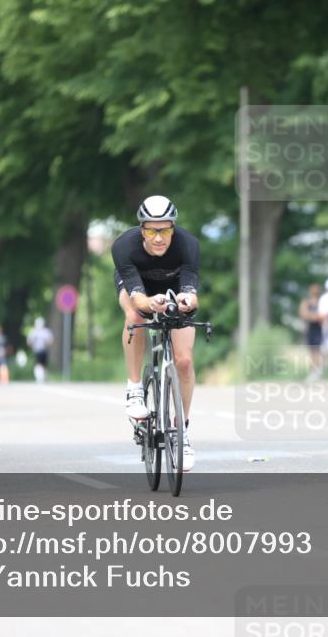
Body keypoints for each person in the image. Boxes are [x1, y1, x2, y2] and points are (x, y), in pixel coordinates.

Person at [111, 195, 200, 470]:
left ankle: (181, 432)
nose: (159, 237)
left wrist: (189, 301)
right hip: (137, 287)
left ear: (173, 228)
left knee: (184, 362)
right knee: (136, 315)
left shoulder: (188, 245)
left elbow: (191, 290)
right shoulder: (123, 247)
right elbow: (138, 299)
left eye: (165, 230)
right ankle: (135, 387)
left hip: (174, 287)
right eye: (152, 230)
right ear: (142, 230)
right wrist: (149, 303)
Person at [298, 283, 324, 381]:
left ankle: (319, 371)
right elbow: (303, 314)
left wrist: (312, 316)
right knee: (312, 351)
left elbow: (323, 316)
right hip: (310, 329)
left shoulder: (321, 302)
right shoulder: (306, 302)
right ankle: (314, 372)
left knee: (319, 350)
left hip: (320, 329)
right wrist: (315, 316)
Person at [27, 316, 54, 383]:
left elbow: (50, 341)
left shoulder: (42, 331)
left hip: (42, 350)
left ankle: (42, 377)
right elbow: (29, 342)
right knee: (39, 364)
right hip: (39, 350)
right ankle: (41, 377)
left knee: (41, 365)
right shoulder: (35, 332)